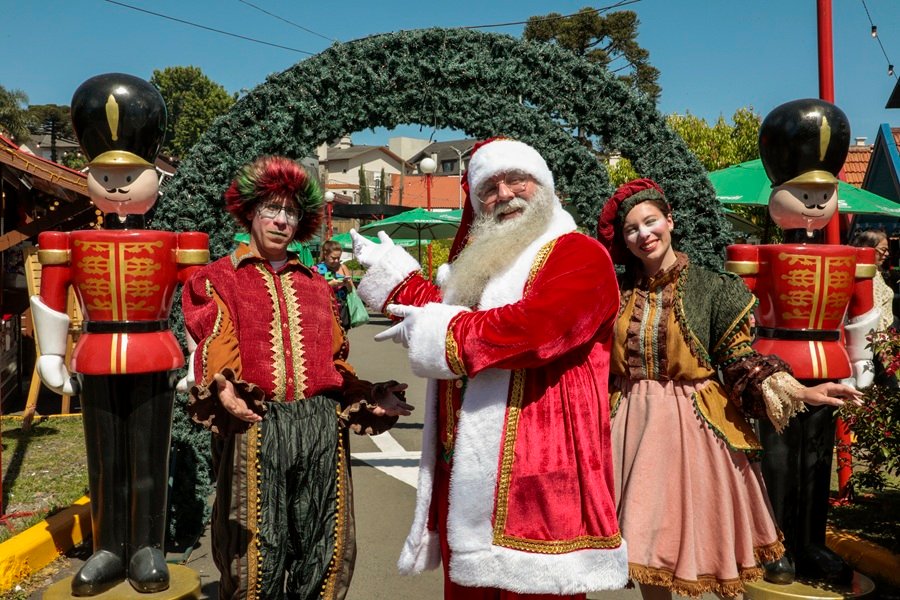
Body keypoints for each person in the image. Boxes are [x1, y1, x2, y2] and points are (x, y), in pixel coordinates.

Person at [351, 138, 628, 599]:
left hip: (537, 483)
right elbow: (450, 313)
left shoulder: (578, 253)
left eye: (516, 179)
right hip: (467, 480)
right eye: (489, 188)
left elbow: (533, 329)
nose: (504, 194)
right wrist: (396, 277)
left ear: (544, 184)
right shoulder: (483, 263)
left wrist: (442, 331)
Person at [596, 178, 862, 599]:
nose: (643, 234)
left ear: (670, 221)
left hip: (695, 425)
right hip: (629, 425)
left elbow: (740, 360)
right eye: (631, 229)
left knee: (715, 544)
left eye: (650, 222)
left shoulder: (711, 288)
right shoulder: (615, 292)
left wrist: (802, 392)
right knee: (646, 552)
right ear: (624, 240)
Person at [180, 155, 413, 600]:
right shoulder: (218, 278)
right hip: (257, 426)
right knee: (256, 551)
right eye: (272, 208)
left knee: (324, 545)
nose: (282, 220)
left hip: (321, 427)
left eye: (291, 213)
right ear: (250, 211)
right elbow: (216, 340)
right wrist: (223, 387)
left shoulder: (316, 285)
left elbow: (336, 363)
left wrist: (370, 396)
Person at [31, 73, 209, 596]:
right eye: (106, 176)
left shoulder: (180, 240)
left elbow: (199, 299)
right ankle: (109, 547)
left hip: (156, 351)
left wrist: (200, 352)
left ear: (155, 175)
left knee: (151, 456)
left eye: (129, 175)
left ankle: (148, 545)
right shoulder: (66, 238)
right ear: (87, 173)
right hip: (96, 352)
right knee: (103, 456)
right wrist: (49, 354)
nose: (117, 186)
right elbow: (52, 296)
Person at [727, 99, 877, 585]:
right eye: (803, 194)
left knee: (818, 460)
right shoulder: (753, 253)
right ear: (777, 195)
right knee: (775, 460)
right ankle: (771, 545)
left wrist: (865, 368)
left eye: (822, 195)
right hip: (774, 366)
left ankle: (810, 542)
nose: (815, 205)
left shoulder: (854, 256)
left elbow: (863, 316)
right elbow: (738, 316)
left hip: (829, 367)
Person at [849, 229, 895, 331]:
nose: (886, 254)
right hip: (874, 336)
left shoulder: (875, 272)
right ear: (869, 249)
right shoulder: (867, 274)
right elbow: (875, 312)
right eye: (883, 249)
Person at [317, 239, 354, 329]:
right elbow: (314, 291)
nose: (337, 261)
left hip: (343, 309)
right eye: (333, 258)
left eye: (339, 258)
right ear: (325, 254)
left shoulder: (343, 267)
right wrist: (330, 285)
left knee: (343, 339)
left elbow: (351, 289)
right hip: (326, 309)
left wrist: (346, 283)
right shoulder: (316, 269)